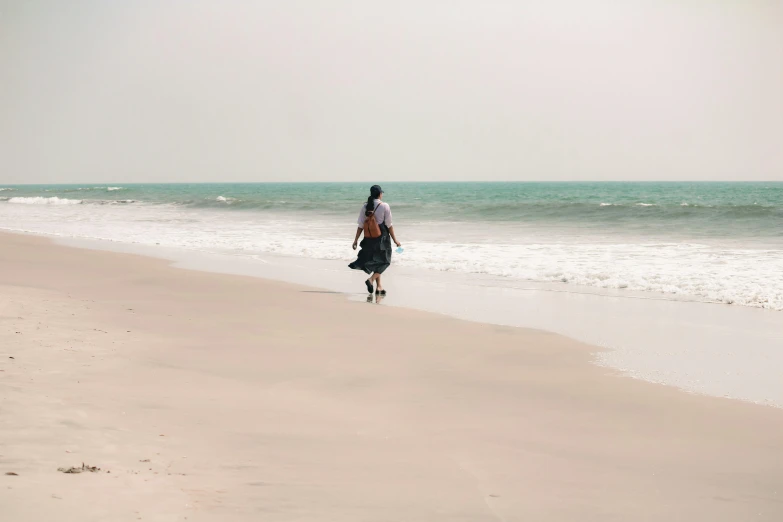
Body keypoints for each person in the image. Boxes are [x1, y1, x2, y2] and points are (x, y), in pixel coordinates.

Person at [348, 185, 401, 295]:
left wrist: (356, 240)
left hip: (369, 238)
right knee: (385, 261)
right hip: (382, 238)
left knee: (377, 260)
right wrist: (395, 240)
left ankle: (379, 287)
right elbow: (389, 225)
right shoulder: (384, 206)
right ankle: (371, 280)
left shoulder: (365, 206)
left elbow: (361, 225)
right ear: (380, 194)